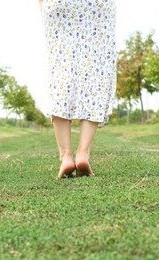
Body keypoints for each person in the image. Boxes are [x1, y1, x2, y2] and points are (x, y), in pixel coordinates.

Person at [38, 0, 117, 179]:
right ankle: (82, 154)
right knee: (97, 73)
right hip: (97, 6)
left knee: (61, 72)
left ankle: (66, 156)